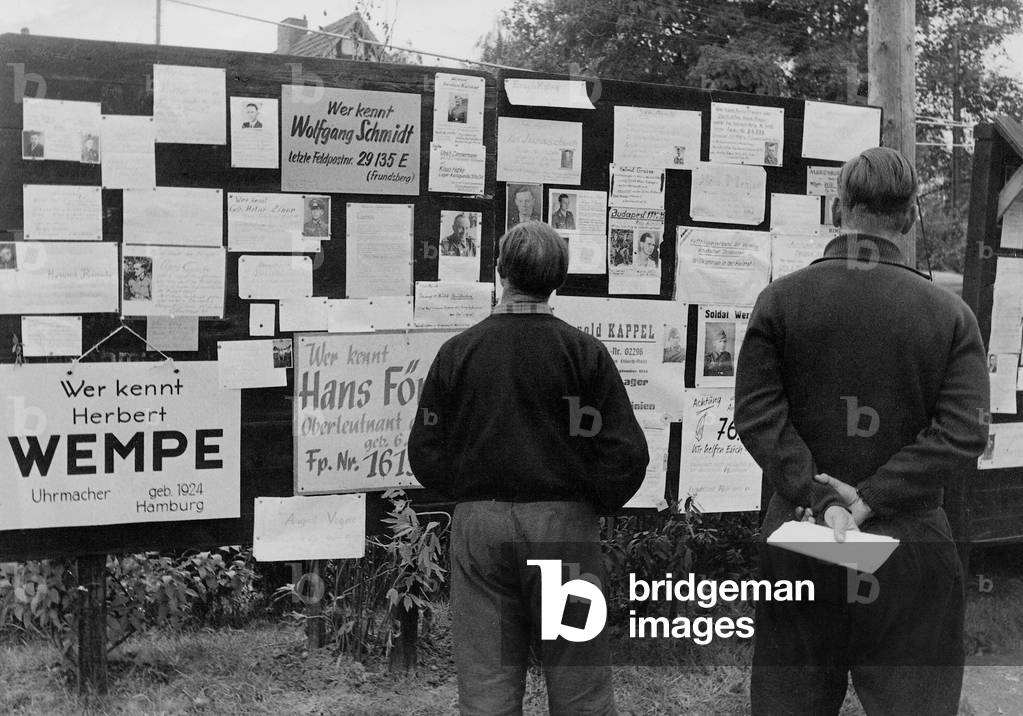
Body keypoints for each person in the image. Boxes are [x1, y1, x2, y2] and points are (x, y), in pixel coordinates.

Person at [734, 147, 989, 716]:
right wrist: (869, 500)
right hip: (909, 542)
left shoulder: (779, 301)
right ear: (912, 216)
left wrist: (822, 499)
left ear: (837, 208)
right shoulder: (950, 315)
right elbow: (964, 430)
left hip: (802, 533)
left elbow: (757, 416)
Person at [409, 220, 648, 716]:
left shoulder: (457, 353)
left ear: (500, 269)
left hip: (480, 527)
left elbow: (426, 451)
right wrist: (590, 501)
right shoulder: (585, 354)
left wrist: (472, 491)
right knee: (579, 681)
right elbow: (626, 454)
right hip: (564, 530)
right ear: (558, 278)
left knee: (487, 685)